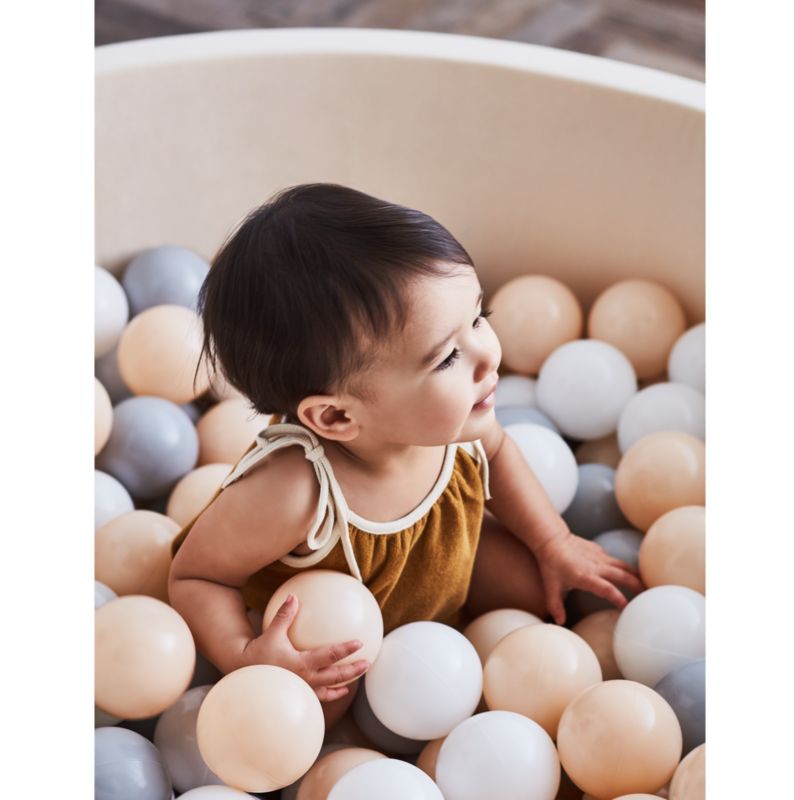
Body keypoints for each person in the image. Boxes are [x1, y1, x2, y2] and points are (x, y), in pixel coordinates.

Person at [168, 183, 643, 727]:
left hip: (441, 564)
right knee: (319, 710)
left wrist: (553, 541)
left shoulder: (460, 420)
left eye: (479, 316)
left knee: (545, 596)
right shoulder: (293, 491)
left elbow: (502, 455)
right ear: (337, 418)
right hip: (347, 633)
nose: (487, 356)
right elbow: (196, 577)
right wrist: (247, 656)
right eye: (447, 358)